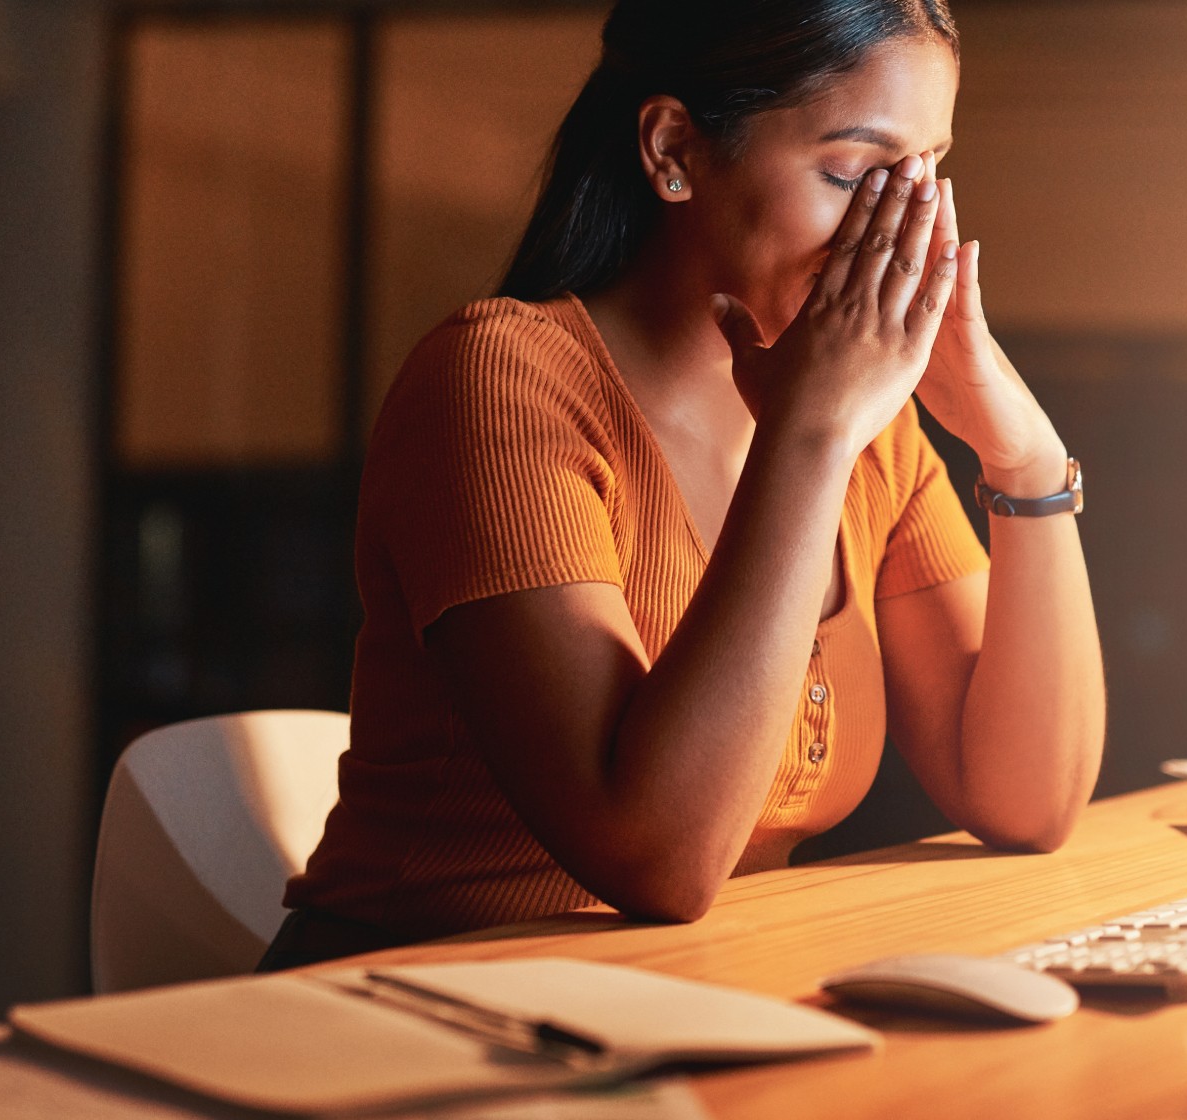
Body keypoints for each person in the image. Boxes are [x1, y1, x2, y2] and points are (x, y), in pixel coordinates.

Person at [264, 0, 1104, 969]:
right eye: (848, 175)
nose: (897, 231)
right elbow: (659, 858)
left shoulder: (871, 433)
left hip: (677, 1013)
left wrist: (1026, 461)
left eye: (921, 178)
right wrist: (810, 434)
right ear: (672, 149)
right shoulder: (497, 385)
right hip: (405, 1024)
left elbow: (1025, 797)